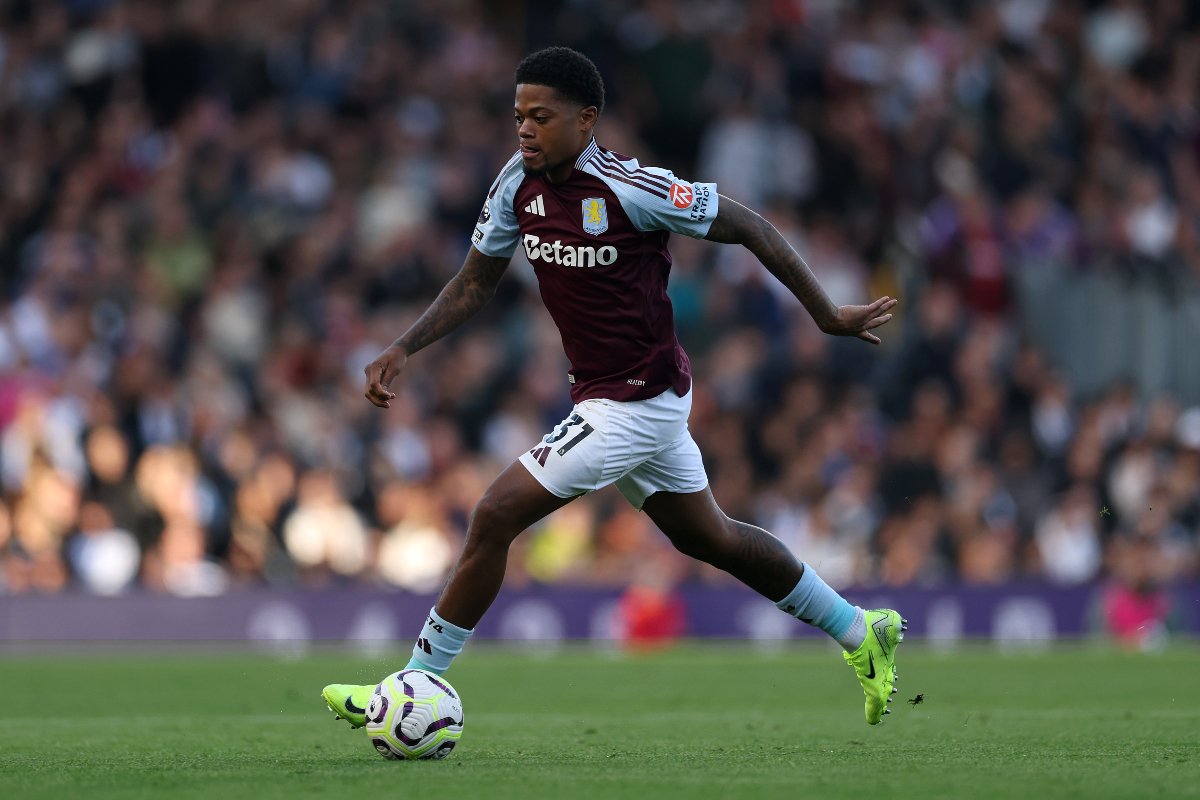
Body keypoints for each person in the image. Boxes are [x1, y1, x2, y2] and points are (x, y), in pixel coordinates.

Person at [322, 46, 905, 728]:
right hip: (615, 397)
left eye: (542, 116)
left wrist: (826, 312)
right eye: (518, 116)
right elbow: (475, 281)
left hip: (635, 402)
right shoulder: (516, 183)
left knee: (494, 514)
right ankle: (861, 631)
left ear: (586, 120)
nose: (525, 129)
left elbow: (749, 225)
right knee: (712, 538)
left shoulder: (631, 188)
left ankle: (413, 684)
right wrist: (404, 345)